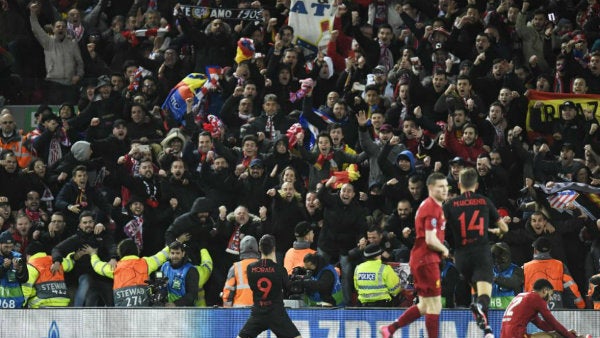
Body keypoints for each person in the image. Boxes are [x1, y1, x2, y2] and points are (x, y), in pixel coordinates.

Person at [380, 172, 449, 338]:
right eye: (441, 187)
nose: (445, 190)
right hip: (426, 259)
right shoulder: (432, 207)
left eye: (446, 186)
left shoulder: (429, 206)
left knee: (425, 305)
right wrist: (445, 250)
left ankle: (390, 329)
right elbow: (431, 240)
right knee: (435, 305)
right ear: (431, 188)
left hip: (421, 259)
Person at [442, 167, 509, 337]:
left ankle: (486, 330)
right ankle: (479, 308)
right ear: (476, 185)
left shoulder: (450, 204)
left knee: (473, 287)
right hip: (481, 254)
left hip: (461, 257)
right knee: (484, 293)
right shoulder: (484, 201)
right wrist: (498, 231)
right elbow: (504, 228)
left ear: (458, 184)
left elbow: (438, 228)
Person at [84, 237, 181, 307]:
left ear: (120, 252)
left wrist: (93, 254)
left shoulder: (115, 267)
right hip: (144, 312)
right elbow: (163, 254)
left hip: (123, 315)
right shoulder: (146, 263)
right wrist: (177, 241)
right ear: (136, 251)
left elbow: (97, 266)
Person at [237, 234, 301, 338]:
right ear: (274, 248)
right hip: (277, 314)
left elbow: (252, 286)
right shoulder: (280, 270)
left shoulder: (250, 268)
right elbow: (289, 289)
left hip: (258, 313)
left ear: (259, 248)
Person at [500, 278, 587, 338]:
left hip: (505, 335)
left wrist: (566, 332)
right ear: (545, 291)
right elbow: (553, 323)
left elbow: (541, 324)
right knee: (553, 336)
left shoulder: (523, 296)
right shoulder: (536, 299)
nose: (550, 299)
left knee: (555, 334)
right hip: (517, 336)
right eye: (550, 295)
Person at [523, 237, 585, 309]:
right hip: (555, 306)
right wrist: (580, 305)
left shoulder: (525, 267)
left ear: (535, 251)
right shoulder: (560, 265)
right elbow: (571, 287)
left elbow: (519, 292)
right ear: (549, 250)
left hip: (532, 308)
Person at [22, 241, 73, 308]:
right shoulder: (56, 261)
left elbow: (26, 289)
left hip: (43, 304)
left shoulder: (31, 265)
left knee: (30, 303)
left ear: (28, 256)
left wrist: (21, 306)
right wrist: (72, 256)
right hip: (63, 302)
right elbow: (69, 264)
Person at [222, 236, 260, 307]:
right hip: (261, 312)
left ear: (241, 249)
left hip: (239, 312)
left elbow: (228, 292)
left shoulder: (235, 268)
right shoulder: (265, 267)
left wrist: (227, 311)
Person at [160, 241, 199, 307]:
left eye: (178, 253)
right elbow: (161, 287)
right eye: (172, 253)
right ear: (169, 254)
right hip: (167, 308)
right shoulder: (165, 266)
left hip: (185, 310)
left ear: (183, 254)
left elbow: (192, 295)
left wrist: (175, 304)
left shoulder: (191, 270)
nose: (175, 256)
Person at [0, 231, 28, 308]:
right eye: (6, 247)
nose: (9, 249)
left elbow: (25, 279)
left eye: (11, 246)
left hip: (16, 304)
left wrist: (19, 270)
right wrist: (4, 267)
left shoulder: (18, 257)